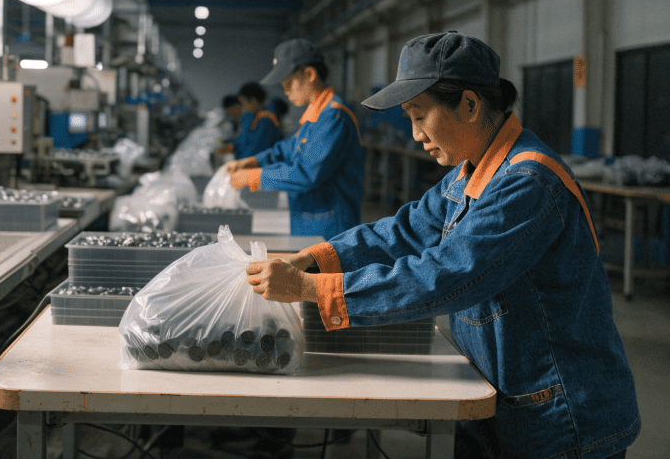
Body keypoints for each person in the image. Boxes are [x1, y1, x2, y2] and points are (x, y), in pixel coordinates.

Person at [244, 32, 639, 459]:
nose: (415, 135)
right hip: (502, 398)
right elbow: (402, 231)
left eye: (419, 116)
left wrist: (311, 290)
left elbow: (446, 274)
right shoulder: (470, 173)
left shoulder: (527, 184)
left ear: (469, 105)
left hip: (558, 420)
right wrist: (314, 260)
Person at [226, 39, 365, 240]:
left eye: (289, 83)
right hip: (310, 220)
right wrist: (254, 161)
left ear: (309, 74)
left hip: (331, 227)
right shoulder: (315, 116)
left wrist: (253, 177)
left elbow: (306, 174)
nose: (286, 91)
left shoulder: (333, 117)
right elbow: (288, 147)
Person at [224, 82, 282, 159]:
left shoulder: (266, 120)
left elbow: (257, 150)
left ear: (253, 101)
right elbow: (244, 139)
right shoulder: (250, 116)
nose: (243, 107)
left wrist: (240, 161)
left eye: (243, 103)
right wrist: (232, 145)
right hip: (249, 158)